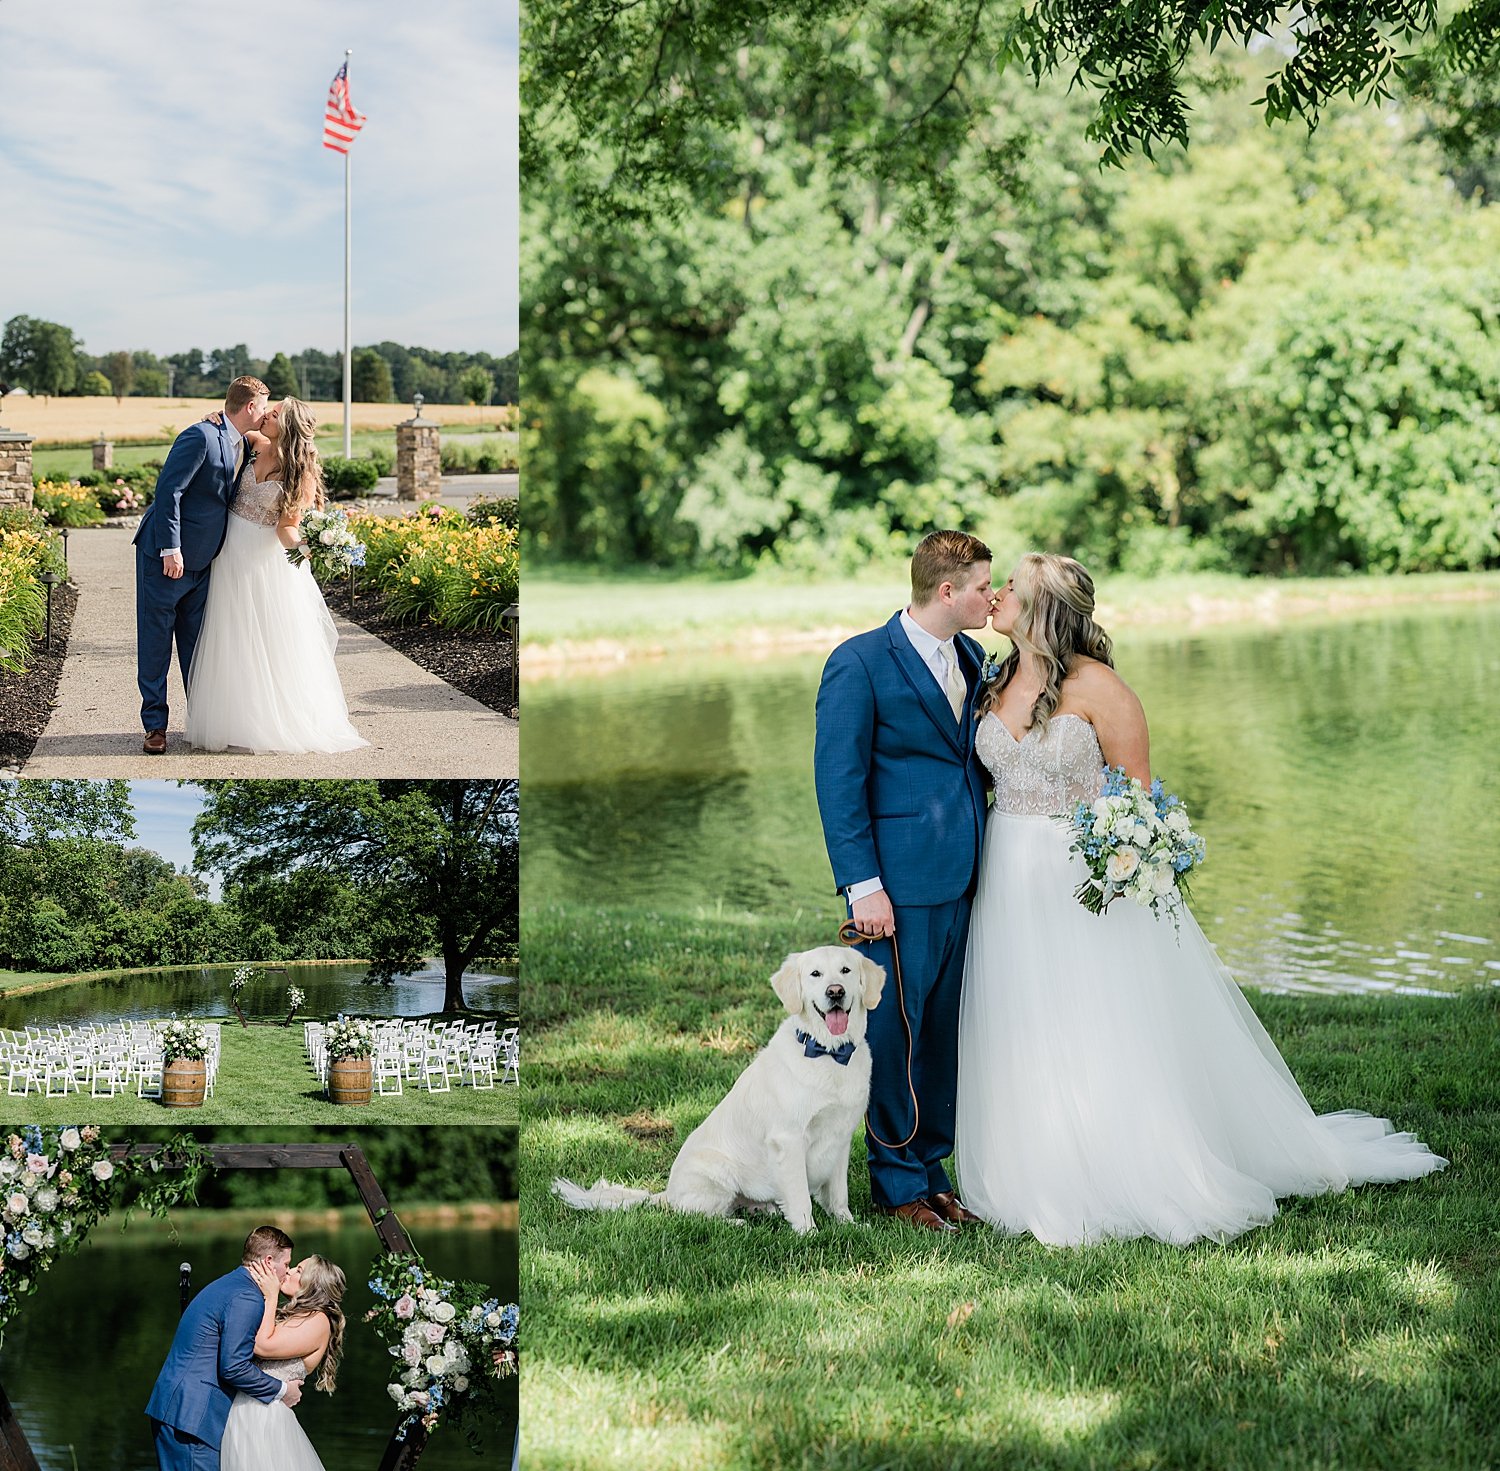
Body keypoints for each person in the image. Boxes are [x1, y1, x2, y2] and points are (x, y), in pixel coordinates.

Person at [955, 551, 1446, 1245]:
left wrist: (1121, 861)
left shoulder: (1102, 688)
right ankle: (1031, 1162)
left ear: (1043, 607)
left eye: (1012, 585)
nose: (997, 593)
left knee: (1097, 1020)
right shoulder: (991, 678)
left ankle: (1125, 1161)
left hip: (1083, 884)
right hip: (1008, 875)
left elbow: (1141, 801)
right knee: (1022, 1016)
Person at [813, 529, 994, 1232]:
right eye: (984, 585)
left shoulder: (972, 656)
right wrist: (863, 886)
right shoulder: (858, 663)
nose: (993, 595)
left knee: (943, 1034)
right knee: (895, 1035)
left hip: (965, 881)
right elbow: (839, 782)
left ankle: (934, 1172)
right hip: (895, 889)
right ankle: (895, 1184)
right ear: (947, 590)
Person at [184, 396, 367, 754]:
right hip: (228, 554)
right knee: (229, 636)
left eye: (275, 412)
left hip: (261, 561)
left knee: (262, 641)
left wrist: (308, 547)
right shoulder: (256, 443)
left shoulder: (301, 473)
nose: (267, 413)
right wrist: (215, 418)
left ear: (287, 424)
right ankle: (231, 721)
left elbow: (287, 528)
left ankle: (265, 723)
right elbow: (229, 430)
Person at [134, 376, 269, 755]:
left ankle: (202, 722)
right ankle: (155, 727)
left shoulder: (240, 440)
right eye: (263, 406)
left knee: (199, 648)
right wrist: (169, 548)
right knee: (156, 643)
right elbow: (169, 491)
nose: (264, 414)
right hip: (165, 559)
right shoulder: (200, 436)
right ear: (249, 407)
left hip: (207, 563)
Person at [145, 1226, 304, 1471]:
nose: (286, 1272)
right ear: (269, 1261)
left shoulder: (229, 1283)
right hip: (191, 1417)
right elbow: (233, 1366)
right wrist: (283, 1390)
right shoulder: (246, 1297)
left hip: (178, 1409)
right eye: (286, 1264)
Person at [219, 1252, 347, 1471]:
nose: (288, 1271)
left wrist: (271, 1296)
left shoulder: (318, 1321)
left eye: (298, 1270)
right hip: (245, 1412)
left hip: (263, 1419)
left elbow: (262, 1346)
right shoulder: (294, 1316)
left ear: (313, 1285)